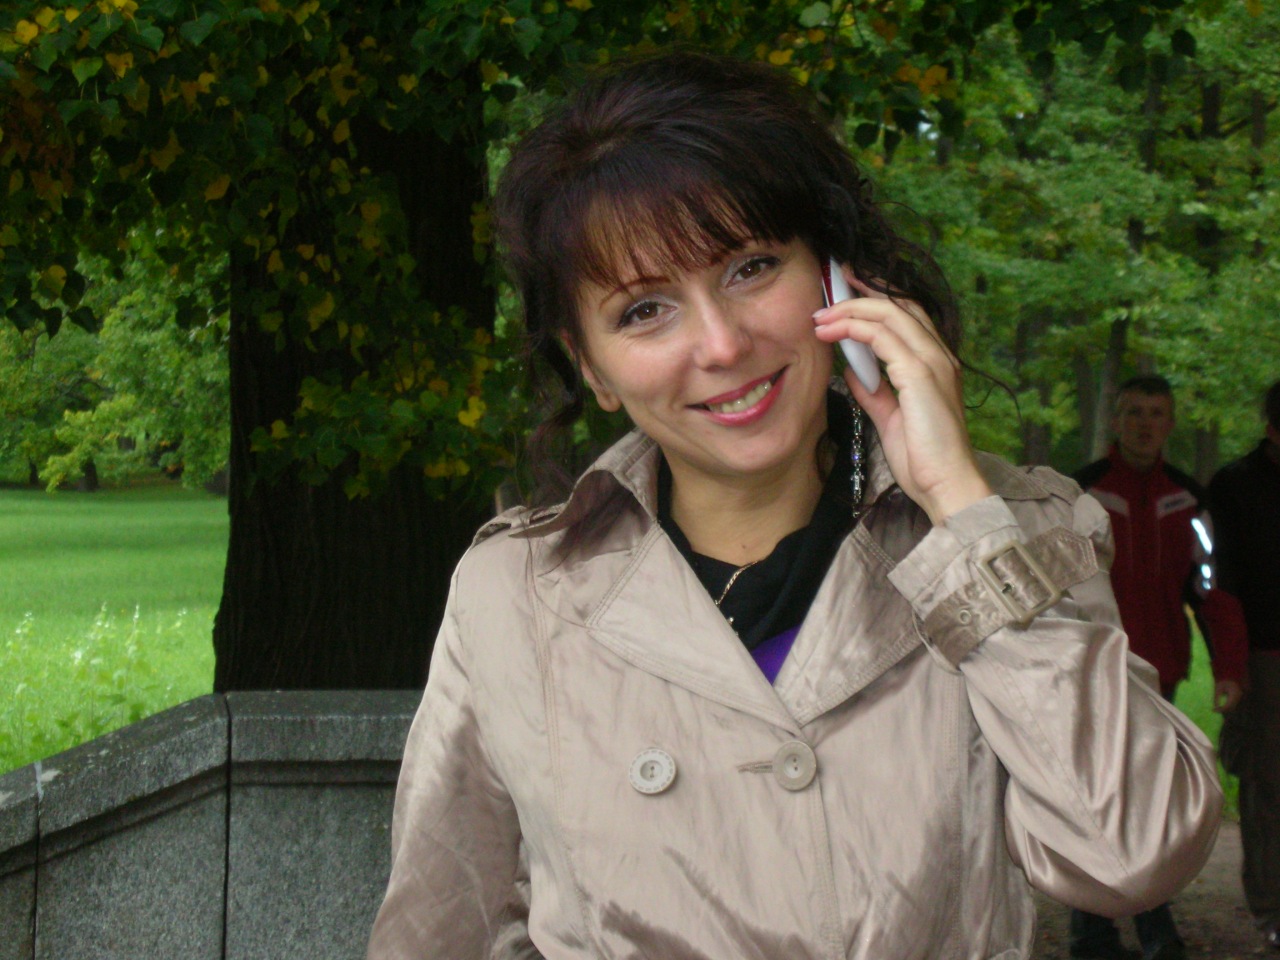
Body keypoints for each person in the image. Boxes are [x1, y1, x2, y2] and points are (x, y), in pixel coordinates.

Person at [367, 52, 1222, 960]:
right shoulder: (516, 595)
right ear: (592, 369)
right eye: (645, 310)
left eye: (751, 266)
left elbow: (1131, 856)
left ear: (839, 279)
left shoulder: (1012, 530)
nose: (722, 343)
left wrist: (958, 505)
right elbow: (441, 932)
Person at [1069, 374, 1249, 960]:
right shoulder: (1083, 492)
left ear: (1170, 424)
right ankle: (1093, 933)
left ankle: (1152, 929)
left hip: (1160, 672)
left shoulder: (1188, 499)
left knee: (1150, 801)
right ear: (1116, 420)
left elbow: (1211, 589)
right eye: (1134, 412)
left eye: (1155, 413)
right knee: (1093, 799)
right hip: (1093, 672)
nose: (1144, 424)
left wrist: (1229, 667)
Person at [1210, 380, 1280, 951]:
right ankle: (1271, 906)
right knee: (1266, 787)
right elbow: (1221, 584)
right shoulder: (1235, 486)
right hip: (1265, 658)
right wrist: (1232, 668)